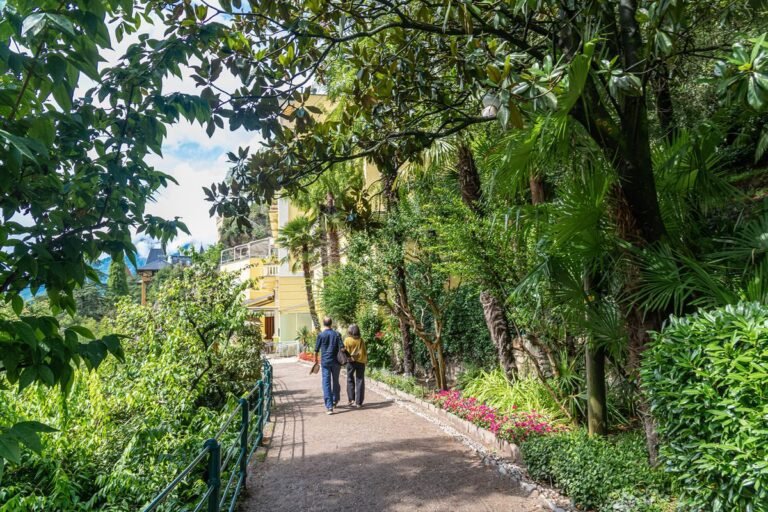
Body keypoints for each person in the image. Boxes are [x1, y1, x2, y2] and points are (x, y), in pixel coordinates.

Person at [314, 317, 343, 414]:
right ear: (331, 323)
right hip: (336, 362)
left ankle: (329, 407)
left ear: (323, 324)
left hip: (325, 362)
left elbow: (316, 350)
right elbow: (342, 348)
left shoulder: (321, 335)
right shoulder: (337, 334)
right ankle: (335, 400)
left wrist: (315, 362)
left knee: (326, 383)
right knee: (335, 381)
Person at [344, 324, 368, 408]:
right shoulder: (361, 340)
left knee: (350, 379)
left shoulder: (347, 340)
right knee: (360, 380)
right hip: (360, 362)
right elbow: (364, 351)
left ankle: (351, 399)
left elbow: (344, 350)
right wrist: (365, 361)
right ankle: (359, 402)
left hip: (350, 362)